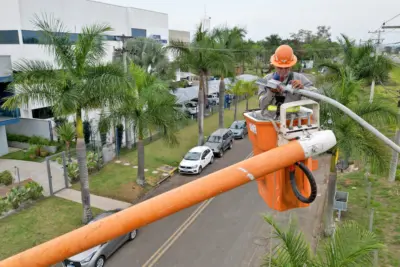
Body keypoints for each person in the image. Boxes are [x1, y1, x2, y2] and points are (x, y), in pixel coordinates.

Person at [258, 45, 317, 115]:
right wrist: (270, 92)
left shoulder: (299, 78)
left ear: (291, 65)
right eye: (280, 67)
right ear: (274, 65)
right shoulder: (266, 80)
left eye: (286, 68)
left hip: (292, 122)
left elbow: (318, 98)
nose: (283, 71)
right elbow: (262, 105)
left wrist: (303, 88)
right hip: (270, 121)